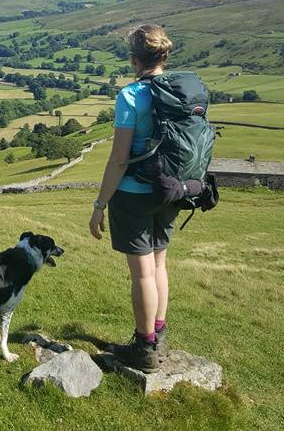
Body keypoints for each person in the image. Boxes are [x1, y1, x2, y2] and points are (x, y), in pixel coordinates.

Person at [88, 24, 177, 373]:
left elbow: (119, 158)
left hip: (135, 193)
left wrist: (99, 205)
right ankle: (159, 335)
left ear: (134, 58)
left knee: (142, 273)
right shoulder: (182, 90)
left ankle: (144, 347)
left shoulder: (130, 96)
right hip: (171, 190)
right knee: (159, 265)